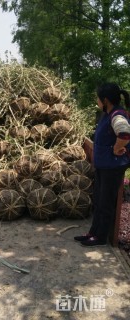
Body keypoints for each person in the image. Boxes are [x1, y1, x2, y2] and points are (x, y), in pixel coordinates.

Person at [74, 83, 130, 247]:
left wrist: (116, 147)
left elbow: (125, 133)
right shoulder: (107, 113)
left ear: (105, 100)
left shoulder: (118, 115)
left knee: (105, 203)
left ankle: (101, 237)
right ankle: (93, 232)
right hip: (104, 166)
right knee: (98, 200)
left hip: (113, 167)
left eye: (98, 98)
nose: (96, 100)